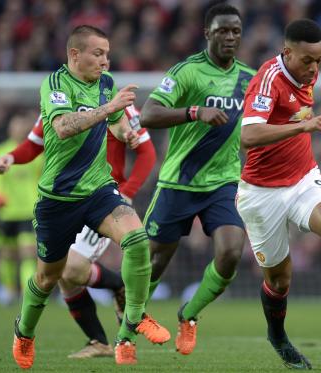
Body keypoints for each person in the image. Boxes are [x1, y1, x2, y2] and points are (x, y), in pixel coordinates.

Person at [11, 25, 169, 369]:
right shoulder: (55, 85)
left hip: (99, 190)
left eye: (108, 54)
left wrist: (125, 132)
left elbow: (113, 122)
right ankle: (24, 331)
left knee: (138, 240)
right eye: (98, 54)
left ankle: (129, 329)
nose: (105, 61)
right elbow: (64, 128)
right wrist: (110, 108)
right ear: (74, 54)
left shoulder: (106, 84)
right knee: (48, 277)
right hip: (57, 198)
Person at [237, 18, 321, 370]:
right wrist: (304, 125)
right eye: (308, 61)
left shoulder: (307, 71)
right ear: (286, 52)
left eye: (319, 60)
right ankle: (278, 337)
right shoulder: (268, 80)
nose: (314, 68)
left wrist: (304, 124)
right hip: (261, 191)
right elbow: (248, 137)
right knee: (279, 279)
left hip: (303, 177)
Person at [139, 2, 254, 356]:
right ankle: (131, 318)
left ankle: (189, 315)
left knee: (232, 252)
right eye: (223, 30)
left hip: (223, 183)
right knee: (154, 262)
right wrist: (194, 112)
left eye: (236, 30)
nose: (230, 37)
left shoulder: (250, 79)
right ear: (207, 33)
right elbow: (148, 114)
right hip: (178, 182)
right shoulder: (186, 72)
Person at [0, 104, 156, 359]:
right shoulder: (54, 100)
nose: (102, 62)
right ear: (75, 60)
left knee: (71, 268)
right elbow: (33, 145)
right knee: (58, 275)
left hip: (102, 200)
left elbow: (147, 153)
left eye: (105, 60)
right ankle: (100, 340)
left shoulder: (116, 102)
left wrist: (128, 191)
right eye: (98, 59)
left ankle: (119, 290)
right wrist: (12, 157)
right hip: (63, 201)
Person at [0, 112, 43, 305]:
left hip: (29, 210)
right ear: (10, 128)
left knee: (28, 252)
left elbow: (44, 177)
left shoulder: (36, 152)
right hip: (7, 211)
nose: (18, 128)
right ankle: (8, 291)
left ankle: (27, 293)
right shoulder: (1, 151)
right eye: (15, 125)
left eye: (21, 125)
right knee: (7, 253)